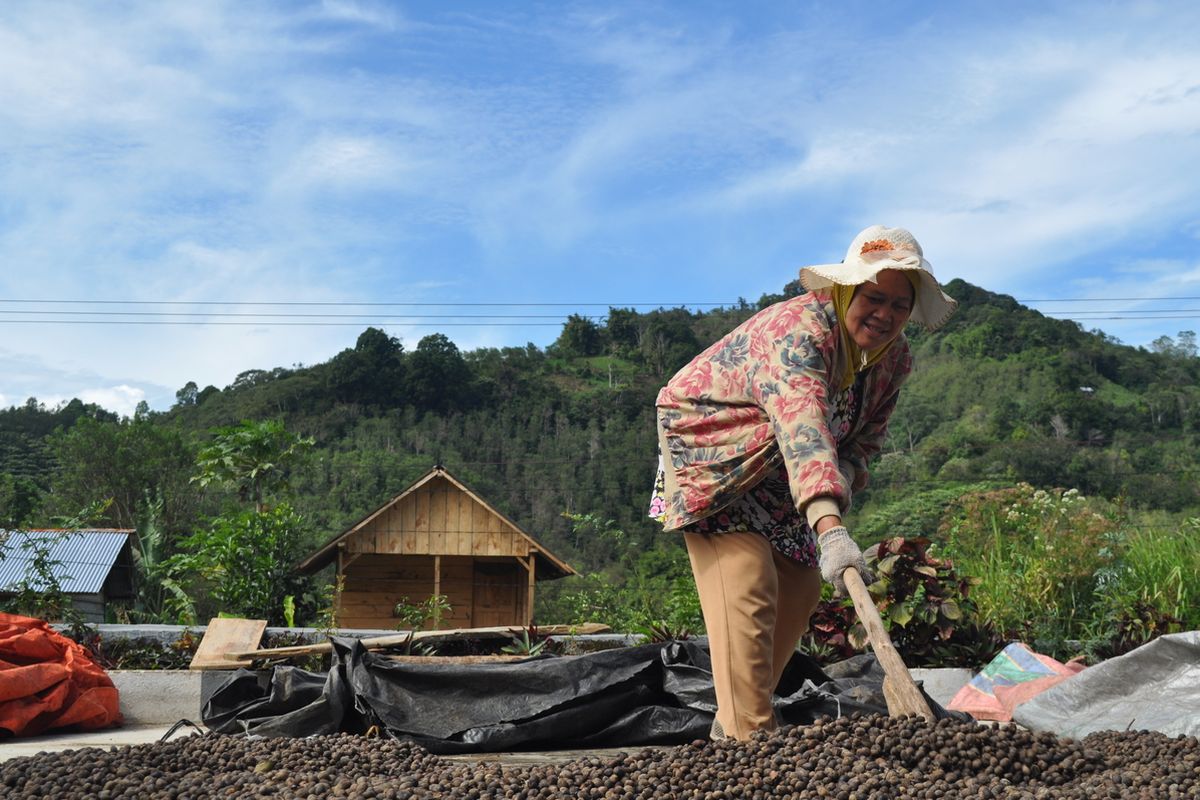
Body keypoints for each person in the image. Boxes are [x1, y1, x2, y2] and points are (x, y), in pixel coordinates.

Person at [647, 224, 957, 741]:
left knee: (800, 585)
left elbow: (864, 441)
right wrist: (830, 529)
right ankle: (755, 742)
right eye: (873, 298)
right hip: (714, 452)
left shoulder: (893, 360)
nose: (884, 315)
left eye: (899, 306)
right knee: (748, 581)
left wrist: (845, 483)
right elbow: (804, 429)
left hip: (783, 474)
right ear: (844, 292)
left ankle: (734, 721)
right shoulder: (799, 334)